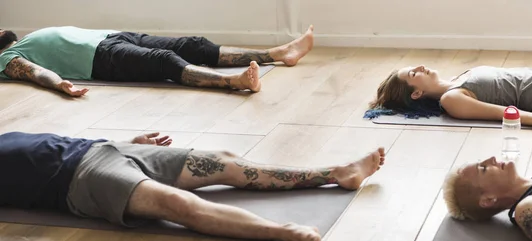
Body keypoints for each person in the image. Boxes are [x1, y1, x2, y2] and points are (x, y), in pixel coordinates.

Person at [0, 130, 386, 241]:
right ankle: (285, 231)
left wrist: (127, 141)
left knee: (226, 162)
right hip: (82, 179)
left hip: (105, 148)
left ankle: (337, 173)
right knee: (179, 206)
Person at [0, 25, 315, 95]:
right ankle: (234, 81)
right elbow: (32, 72)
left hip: (111, 37)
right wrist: (60, 85)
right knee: (164, 60)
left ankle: (277, 54)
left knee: (192, 44)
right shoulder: (7, 58)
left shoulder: (21, 39)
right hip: (99, 59)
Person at [367, 64, 532, 135]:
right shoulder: (452, 99)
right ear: (416, 93)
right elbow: (509, 114)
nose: (419, 67)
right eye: (413, 74)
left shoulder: (459, 77)